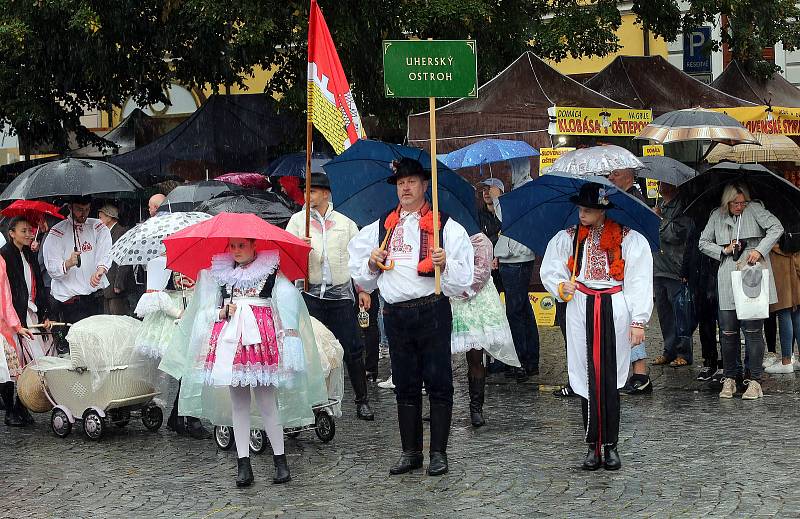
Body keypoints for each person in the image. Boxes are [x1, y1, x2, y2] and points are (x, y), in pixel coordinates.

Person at [160, 242, 327, 487]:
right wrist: (222, 312)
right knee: (238, 404)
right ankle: (243, 463)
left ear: (252, 245)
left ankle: (280, 461)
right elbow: (206, 311)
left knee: (267, 402)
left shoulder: (270, 272)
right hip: (232, 343)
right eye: (233, 246)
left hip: (261, 342)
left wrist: (288, 339)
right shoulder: (222, 275)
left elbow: (288, 300)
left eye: (241, 245)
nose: (236, 250)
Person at [348, 157, 474, 477]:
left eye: (412, 181)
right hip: (395, 314)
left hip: (431, 309)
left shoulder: (446, 226)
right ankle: (411, 452)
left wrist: (446, 263)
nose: (405, 187)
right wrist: (372, 263)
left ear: (424, 185)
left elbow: (464, 279)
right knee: (404, 384)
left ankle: (439, 453)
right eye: (400, 183)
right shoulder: (381, 227)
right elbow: (361, 273)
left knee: (438, 381)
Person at [541, 182, 653, 471]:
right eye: (581, 209)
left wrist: (639, 320)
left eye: (588, 210)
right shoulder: (568, 238)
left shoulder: (628, 239)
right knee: (583, 374)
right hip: (580, 305)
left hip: (614, 306)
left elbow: (639, 279)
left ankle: (611, 445)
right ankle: (592, 445)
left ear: (603, 211)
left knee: (611, 377)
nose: (582, 214)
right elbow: (551, 268)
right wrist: (560, 285)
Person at [285, 172, 374, 420]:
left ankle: (362, 400)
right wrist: (298, 247)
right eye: (305, 191)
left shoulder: (346, 224)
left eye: (312, 191)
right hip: (310, 296)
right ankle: (313, 401)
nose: (306, 195)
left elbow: (356, 261)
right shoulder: (296, 222)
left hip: (340, 296)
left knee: (353, 348)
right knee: (311, 350)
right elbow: (286, 259)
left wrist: (363, 289)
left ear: (325, 194)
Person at [699, 183, 783, 400]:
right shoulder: (717, 216)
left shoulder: (754, 209)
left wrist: (759, 249)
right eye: (735, 203)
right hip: (728, 271)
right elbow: (703, 242)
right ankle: (730, 377)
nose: (739, 206)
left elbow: (776, 227)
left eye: (742, 202)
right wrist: (723, 249)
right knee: (727, 331)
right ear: (727, 202)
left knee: (753, 330)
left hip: (751, 271)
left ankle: (754, 380)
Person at [134, 256, 210, 439]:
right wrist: (178, 312)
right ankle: (190, 420)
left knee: (192, 368)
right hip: (172, 319)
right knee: (188, 369)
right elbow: (154, 296)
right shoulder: (159, 262)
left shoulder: (200, 258)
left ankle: (178, 418)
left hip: (195, 311)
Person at [450, 233, 519, 427]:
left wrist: (457, 290)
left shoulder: (480, 240)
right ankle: (440, 403)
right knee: (439, 355)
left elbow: (481, 273)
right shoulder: (444, 234)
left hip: (474, 299)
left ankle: (476, 408)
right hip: (448, 295)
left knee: (475, 355)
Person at [42, 196, 112, 350]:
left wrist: (101, 269)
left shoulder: (97, 226)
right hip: (71, 300)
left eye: (87, 209)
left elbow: (105, 250)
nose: (84, 213)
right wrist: (68, 263)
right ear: (70, 207)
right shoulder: (57, 232)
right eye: (80, 209)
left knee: (97, 340)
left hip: (94, 296)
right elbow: (52, 267)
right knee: (77, 343)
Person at [493, 159, 540, 381]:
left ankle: (520, 361)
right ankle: (529, 359)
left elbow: (507, 219)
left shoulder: (525, 190)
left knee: (515, 310)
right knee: (523, 309)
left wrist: (496, 197)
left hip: (517, 258)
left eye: (512, 168)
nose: (510, 173)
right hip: (517, 256)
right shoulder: (525, 189)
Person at [606, 168, 651, 394]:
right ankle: (628, 371)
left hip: (628, 263)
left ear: (629, 176)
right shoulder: (614, 195)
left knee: (632, 315)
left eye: (615, 173)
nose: (610, 177)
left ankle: (640, 373)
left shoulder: (633, 198)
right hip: (616, 260)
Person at [0, 222, 40, 427]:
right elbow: (4, 295)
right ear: (11, 233)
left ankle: (21, 406)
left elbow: (36, 283)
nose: (29, 234)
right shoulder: (4, 255)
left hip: (25, 312)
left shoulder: (28, 254)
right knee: (9, 366)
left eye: (30, 231)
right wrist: (15, 323)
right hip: (7, 320)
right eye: (23, 231)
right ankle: (10, 409)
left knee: (26, 363)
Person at [651, 182, 695, 367]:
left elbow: (678, 234)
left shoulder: (683, 206)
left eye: (664, 182)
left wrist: (659, 220)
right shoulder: (660, 204)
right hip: (658, 267)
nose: (660, 184)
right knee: (664, 313)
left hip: (675, 267)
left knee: (681, 313)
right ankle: (669, 350)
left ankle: (683, 352)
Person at [766, 243, 800, 374]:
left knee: (784, 311)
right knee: (797, 313)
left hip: (780, 262)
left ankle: (786, 361)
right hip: (796, 258)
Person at [98, 204, 132, 316]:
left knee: (118, 317)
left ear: (109, 217)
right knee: (108, 319)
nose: (99, 220)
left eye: (101, 217)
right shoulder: (105, 233)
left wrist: (119, 283)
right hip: (107, 285)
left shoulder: (121, 231)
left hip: (115, 286)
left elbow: (124, 259)